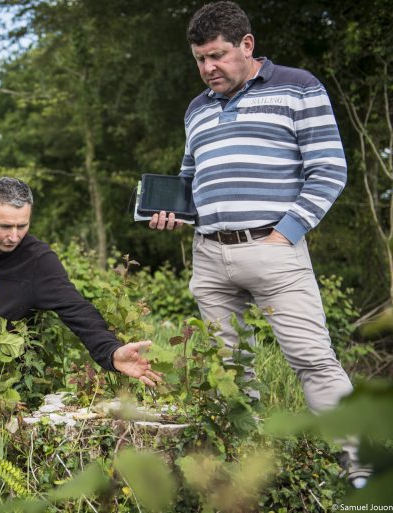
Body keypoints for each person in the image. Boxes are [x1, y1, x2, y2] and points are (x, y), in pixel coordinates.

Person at [148, 1, 368, 487]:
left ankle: (359, 467)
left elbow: (329, 169)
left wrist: (283, 234)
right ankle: (246, 466)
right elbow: (190, 178)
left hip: (274, 252)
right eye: (200, 59)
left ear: (247, 46)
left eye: (218, 55)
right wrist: (174, 212)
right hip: (209, 255)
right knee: (229, 368)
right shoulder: (197, 108)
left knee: (313, 359)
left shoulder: (298, 87)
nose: (209, 68)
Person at [0, 176, 161, 385]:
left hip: (2, 385)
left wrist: (112, 352)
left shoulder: (38, 261)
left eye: (22, 226)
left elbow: (77, 309)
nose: (14, 237)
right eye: (4, 226)